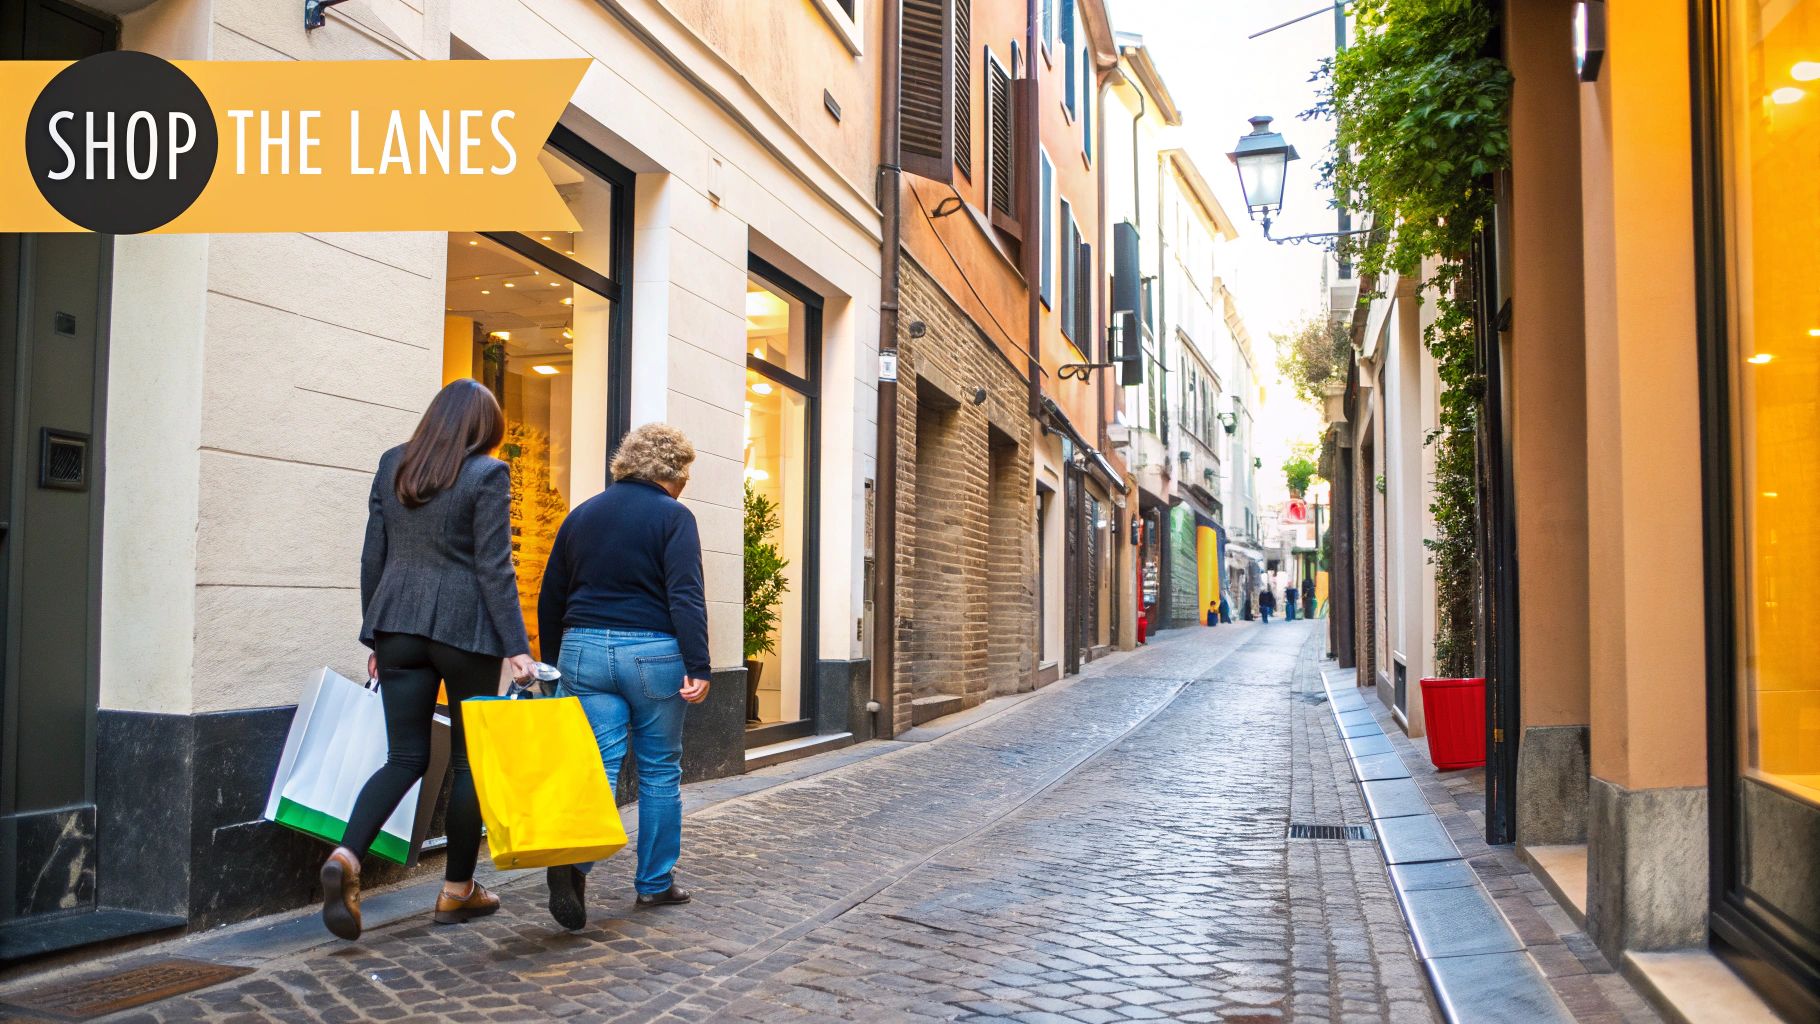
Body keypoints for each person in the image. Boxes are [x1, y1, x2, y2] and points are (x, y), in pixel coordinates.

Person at [320, 379, 535, 941]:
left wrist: (374, 634)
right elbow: (495, 567)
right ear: (481, 429)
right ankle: (458, 891)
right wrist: (517, 647)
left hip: (396, 625)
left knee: (404, 756)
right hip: (466, 631)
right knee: (469, 762)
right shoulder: (487, 473)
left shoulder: (393, 463)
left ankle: (347, 855)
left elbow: (374, 555)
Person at [538, 423, 711, 930]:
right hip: (653, 654)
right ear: (673, 473)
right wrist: (698, 665)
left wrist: (556, 661)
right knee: (659, 769)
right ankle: (655, 885)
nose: (686, 485)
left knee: (597, 765)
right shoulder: (674, 517)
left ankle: (572, 863)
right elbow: (685, 593)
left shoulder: (582, 514)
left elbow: (552, 594)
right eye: (686, 475)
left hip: (582, 650)